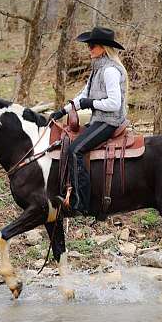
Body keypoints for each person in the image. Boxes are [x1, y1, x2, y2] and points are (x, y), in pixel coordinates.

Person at [49, 26, 129, 215]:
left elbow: (114, 104)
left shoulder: (110, 70)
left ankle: (81, 203)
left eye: (92, 45)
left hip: (110, 121)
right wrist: (62, 111)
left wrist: (90, 103)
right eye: (89, 45)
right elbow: (83, 95)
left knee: (75, 150)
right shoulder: (97, 68)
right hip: (99, 119)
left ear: (103, 48)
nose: (89, 48)